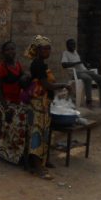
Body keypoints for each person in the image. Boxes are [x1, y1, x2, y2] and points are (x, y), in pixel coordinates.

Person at [25, 35, 70, 179]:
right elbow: (46, 85)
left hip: (43, 104)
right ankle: (37, 167)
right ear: (38, 50)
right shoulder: (37, 64)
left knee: (44, 132)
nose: (48, 51)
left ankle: (43, 161)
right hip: (37, 104)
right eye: (45, 48)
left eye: (49, 48)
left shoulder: (42, 64)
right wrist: (64, 85)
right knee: (37, 133)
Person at [0, 41, 29, 165]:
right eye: (8, 50)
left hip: (17, 101)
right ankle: (8, 155)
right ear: (3, 52)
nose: (11, 52)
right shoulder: (1, 67)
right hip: (7, 103)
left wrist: (25, 77)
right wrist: (6, 108)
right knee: (10, 129)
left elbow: (23, 75)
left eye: (12, 49)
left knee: (20, 129)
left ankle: (17, 155)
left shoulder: (17, 64)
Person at [60, 38, 101, 108]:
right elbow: (64, 65)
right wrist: (77, 63)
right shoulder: (65, 53)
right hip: (76, 73)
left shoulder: (75, 52)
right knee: (88, 78)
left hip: (84, 71)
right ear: (67, 45)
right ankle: (89, 101)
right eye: (71, 44)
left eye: (74, 44)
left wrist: (86, 67)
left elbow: (80, 64)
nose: (73, 46)